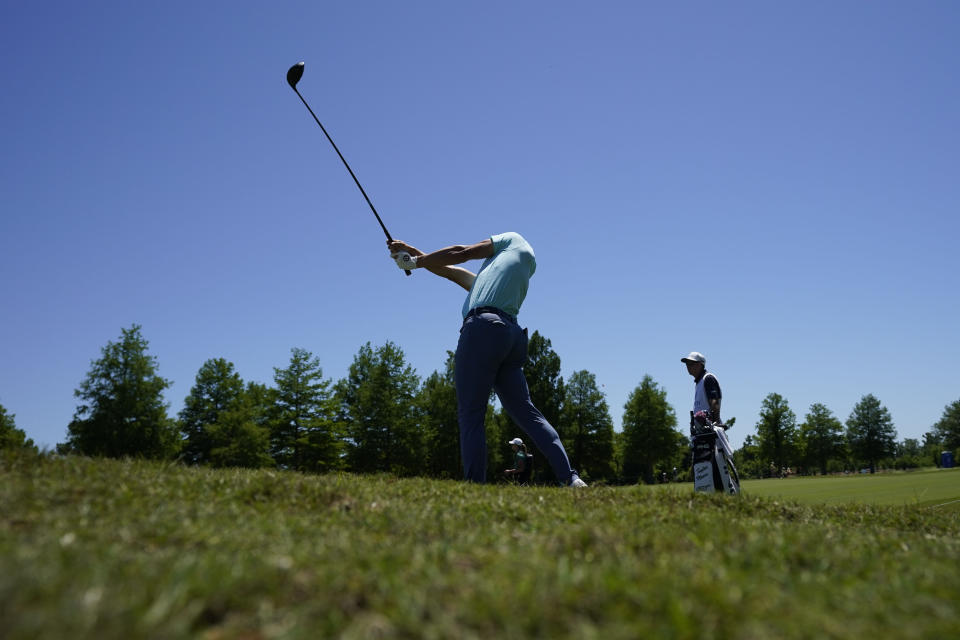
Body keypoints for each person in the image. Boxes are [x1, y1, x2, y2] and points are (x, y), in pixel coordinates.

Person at [387, 232, 586, 487]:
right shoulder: (492, 282)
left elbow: (463, 251)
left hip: (483, 329)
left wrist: (414, 263)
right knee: (527, 413)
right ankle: (570, 479)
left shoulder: (512, 239)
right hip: (511, 337)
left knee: (471, 414)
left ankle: (474, 486)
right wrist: (411, 252)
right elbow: (449, 270)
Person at [681, 351, 722, 428]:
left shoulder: (708, 378)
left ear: (700, 364)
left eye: (691, 363)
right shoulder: (699, 382)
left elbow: (714, 401)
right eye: (687, 364)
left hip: (710, 430)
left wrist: (715, 422)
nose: (688, 366)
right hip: (702, 430)